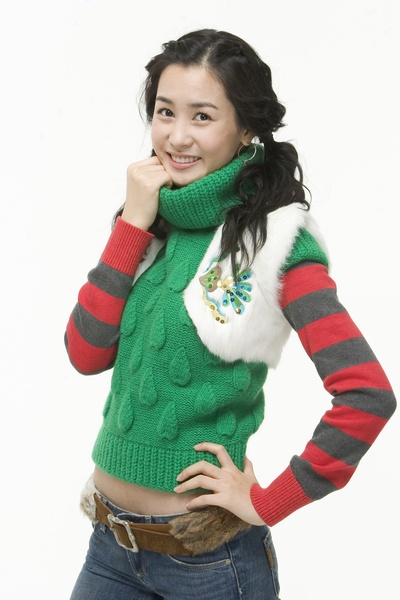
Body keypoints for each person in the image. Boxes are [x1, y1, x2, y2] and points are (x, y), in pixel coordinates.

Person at [65, 28, 396, 600]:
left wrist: (270, 502)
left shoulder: (276, 243)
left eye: (202, 116)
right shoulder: (148, 222)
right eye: (165, 112)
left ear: (246, 129)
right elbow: (85, 353)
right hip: (109, 549)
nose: (177, 136)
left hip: (210, 567)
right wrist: (130, 226)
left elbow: (368, 394)